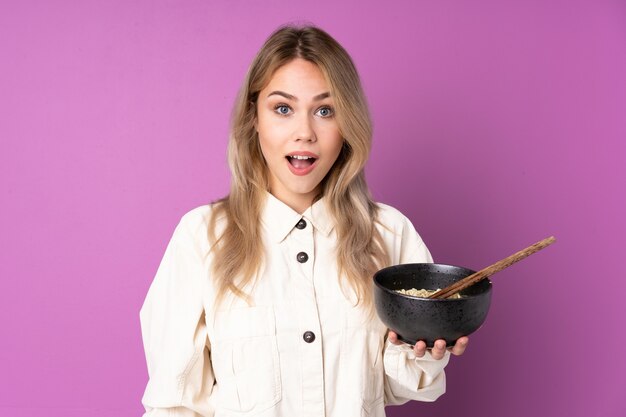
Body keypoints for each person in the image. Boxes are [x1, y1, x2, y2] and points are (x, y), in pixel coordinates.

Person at [140, 24, 468, 417]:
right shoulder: (201, 237)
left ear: (347, 126)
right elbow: (174, 404)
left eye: (325, 111)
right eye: (283, 109)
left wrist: (426, 350)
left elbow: (399, 385)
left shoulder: (390, 234)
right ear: (253, 119)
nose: (304, 132)